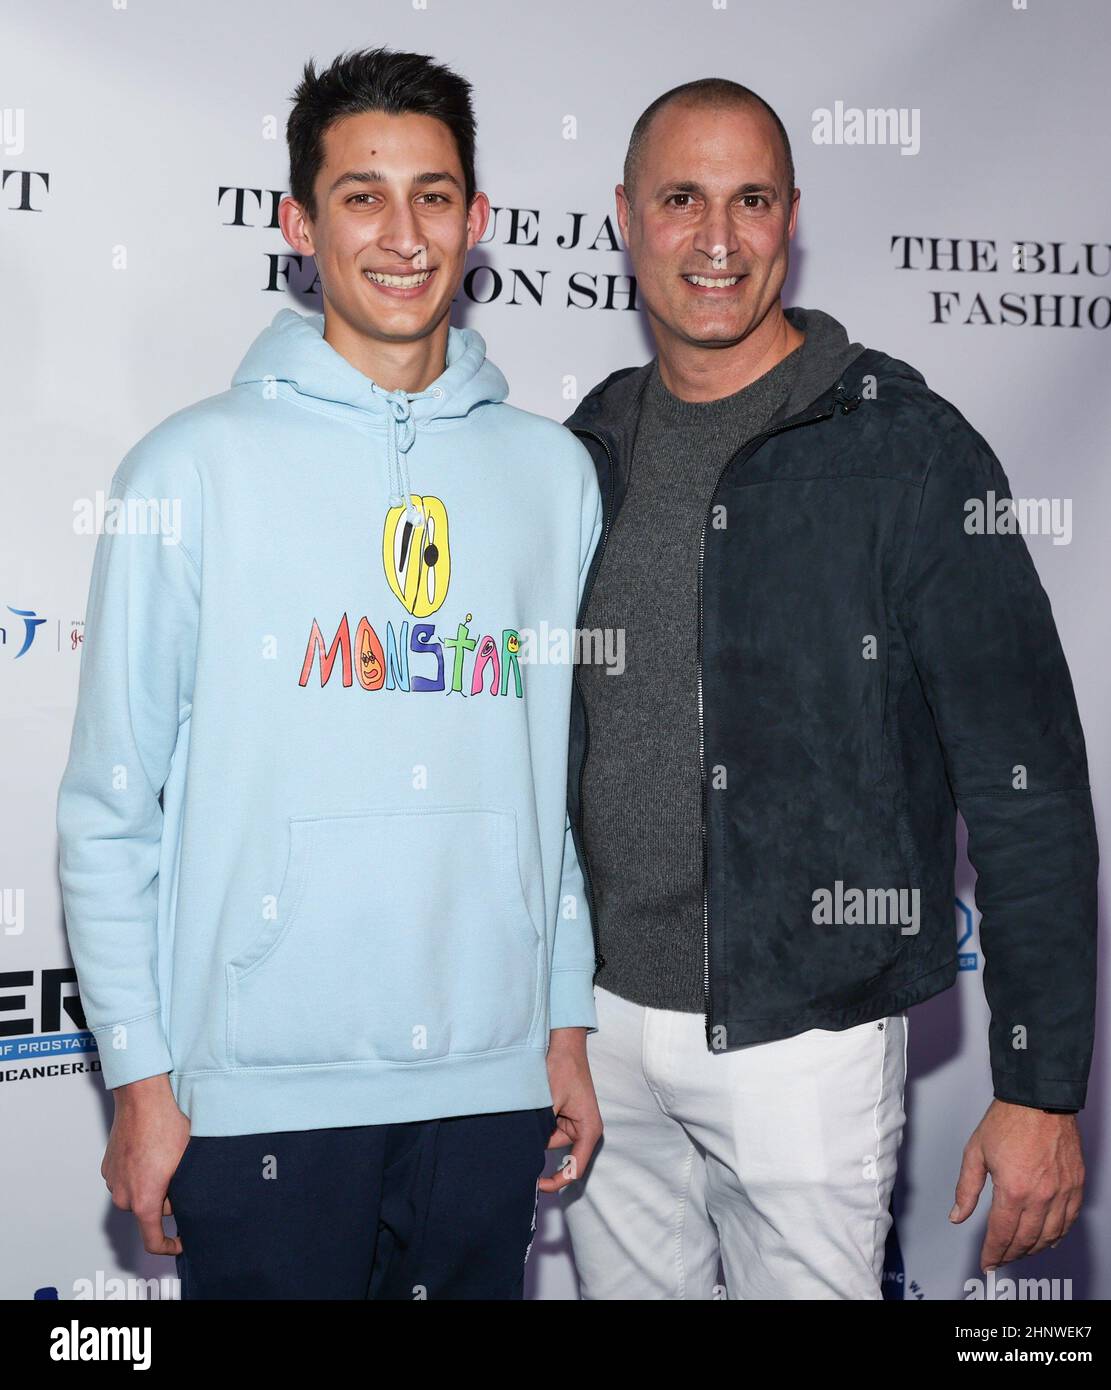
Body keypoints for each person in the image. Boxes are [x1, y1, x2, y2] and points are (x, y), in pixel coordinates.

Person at [56, 46, 603, 1301]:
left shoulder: (551, 476)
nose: (403, 235)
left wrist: (562, 1025)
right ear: (299, 224)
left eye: (433, 195)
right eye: (362, 195)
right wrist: (139, 1078)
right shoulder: (188, 469)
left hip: (491, 1088)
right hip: (257, 1097)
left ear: (476, 217)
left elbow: (553, 794)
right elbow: (107, 810)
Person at [560, 78, 1096, 1300]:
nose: (716, 238)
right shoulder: (587, 446)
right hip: (597, 1036)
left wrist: (1035, 1083)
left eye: (749, 200)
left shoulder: (904, 450)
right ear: (625, 218)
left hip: (804, 1044)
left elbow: (1026, 788)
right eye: (680, 199)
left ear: (789, 220)